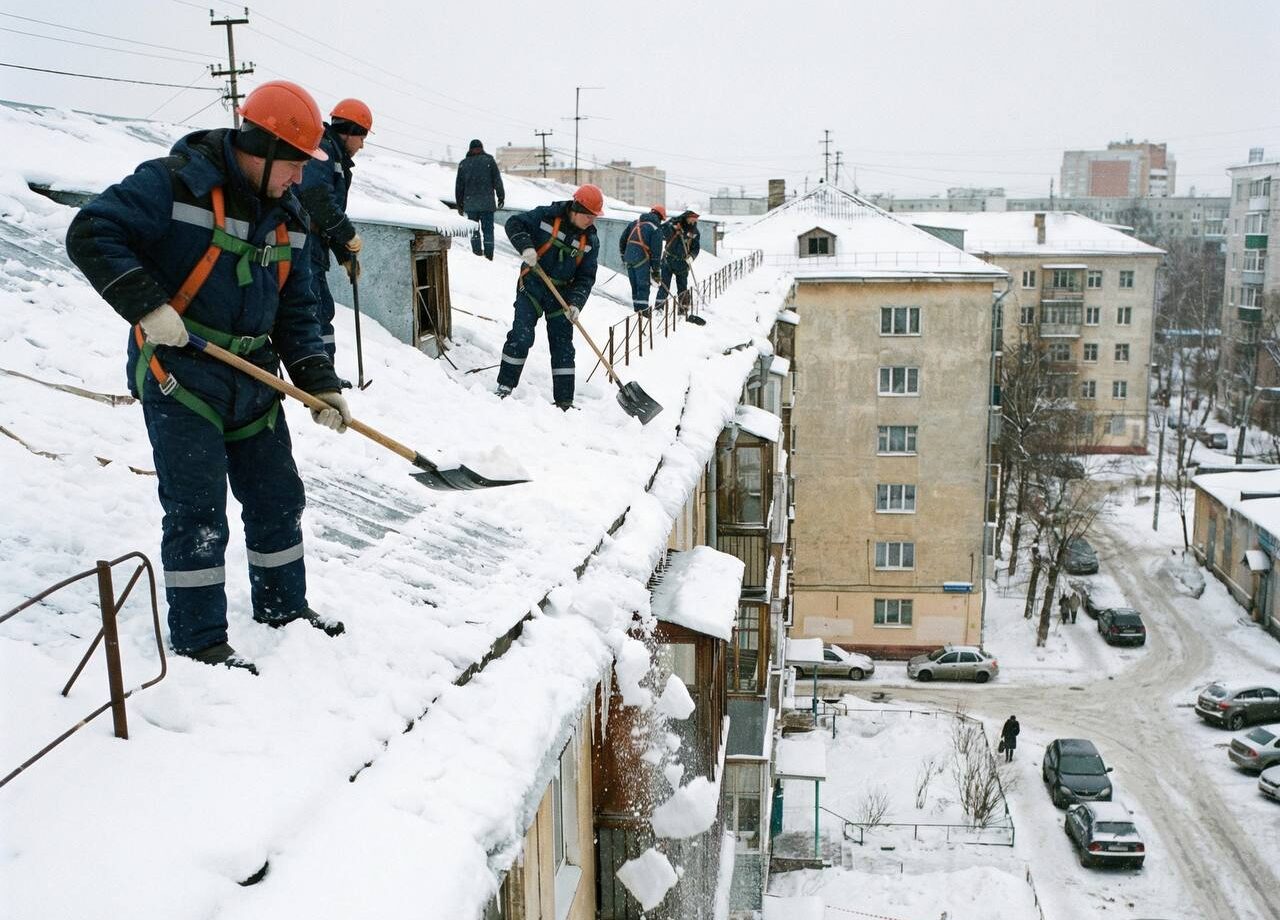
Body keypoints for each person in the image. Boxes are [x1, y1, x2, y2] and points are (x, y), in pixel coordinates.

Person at [65, 80, 352, 675]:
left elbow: (297, 307)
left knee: (278, 497)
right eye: (294, 165)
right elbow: (91, 231)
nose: (300, 178)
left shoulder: (290, 217)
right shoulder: (172, 183)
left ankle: (283, 609)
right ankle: (200, 641)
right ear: (263, 148)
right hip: (180, 372)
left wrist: (317, 381)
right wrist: (147, 305)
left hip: (253, 379)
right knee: (198, 511)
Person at [496, 184, 601, 410]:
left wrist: (576, 304)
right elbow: (514, 223)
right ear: (576, 209)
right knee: (521, 336)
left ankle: (564, 402)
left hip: (561, 296)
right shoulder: (546, 215)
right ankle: (505, 386)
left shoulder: (591, 241)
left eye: (594, 217)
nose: (592, 221)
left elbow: (586, 277)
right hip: (532, 284)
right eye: (589, 216)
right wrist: (526, 248)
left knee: (563, 347)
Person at [296, 97, 373, 363]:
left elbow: (325, 215)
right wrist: (347, 233)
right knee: (314, 310)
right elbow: (317, 199)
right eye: (362, 137)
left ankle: (324, 370)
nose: (362, 144)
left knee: (320, 309)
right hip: (303, 244)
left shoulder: (333, 155)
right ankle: (318, 373)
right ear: (350, 131)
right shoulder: (323, 152)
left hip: (313, 245)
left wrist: (344, 256)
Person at [454, 138, 505, 260]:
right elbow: (497, 180)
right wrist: (501, 196)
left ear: (470, 149)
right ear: (481, 148)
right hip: (487, 204)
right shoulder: (489, 161)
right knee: (488, 231)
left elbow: (459, 187)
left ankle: (477, 254)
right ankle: (489, 256)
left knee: (474, 230)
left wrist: (460, 205)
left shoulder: (464, 164)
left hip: (471, 204)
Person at [618, 204, 665, 315]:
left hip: (629, 259)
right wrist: (656, 271)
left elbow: (622, 240)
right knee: (643, 288)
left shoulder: (634, 223)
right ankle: (643, 315)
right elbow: (656, 253)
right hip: (642, 260)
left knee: (635, 287)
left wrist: (623, 256)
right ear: (660, 217)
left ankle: (637, 313)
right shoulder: (656, 229)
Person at [655, 210, 700, 314]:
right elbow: (661, 230)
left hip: (682, 263)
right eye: (693, 217)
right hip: (668, 260)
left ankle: (683, 310)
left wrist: (691, 257)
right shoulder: (673, 224)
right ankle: (659, 309)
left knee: (682, 287)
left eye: (696, 218)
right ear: (687, 217)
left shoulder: (695, 232)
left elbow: (696, 248)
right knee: (664, 286)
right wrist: (673, 226)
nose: (694, 220)